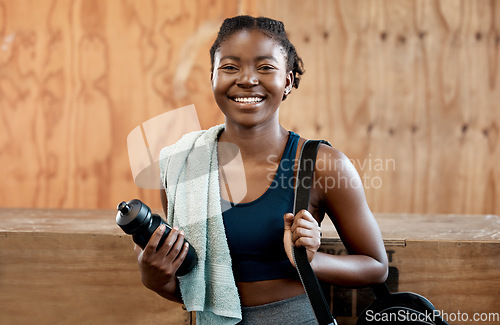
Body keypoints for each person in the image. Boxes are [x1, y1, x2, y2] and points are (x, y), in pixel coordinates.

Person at [134, 15, 388, 324]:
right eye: (230, 67)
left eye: (265, 67)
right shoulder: (183, 163)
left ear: (288, 81)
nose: (247, 79)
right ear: (212, 76)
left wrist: (309, 261)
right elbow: (193, 287)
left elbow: (376, 266)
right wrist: (156, 279)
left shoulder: (321, 163)